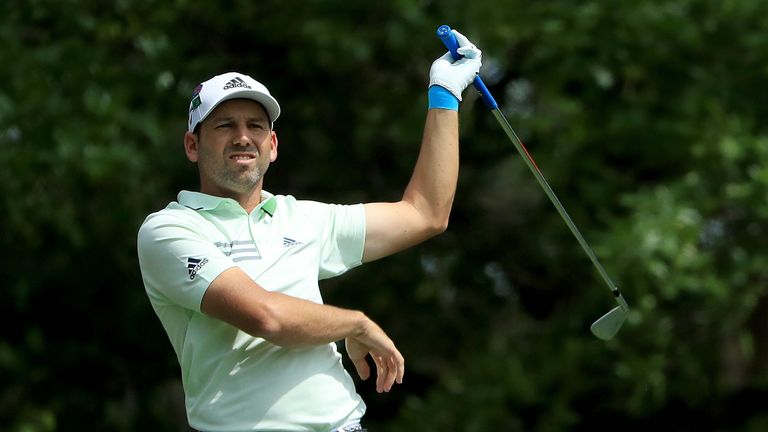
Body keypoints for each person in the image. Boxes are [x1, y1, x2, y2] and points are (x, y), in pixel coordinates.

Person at [137, 30, 481, 432]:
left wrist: (444, 95)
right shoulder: (169, 229)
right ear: (192, 146)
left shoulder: (300, 217)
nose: (243, 136)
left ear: (273, 144)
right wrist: (356, 323)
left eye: (255, 126)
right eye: (224, 125)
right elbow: (267, 317)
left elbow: (425, 213)